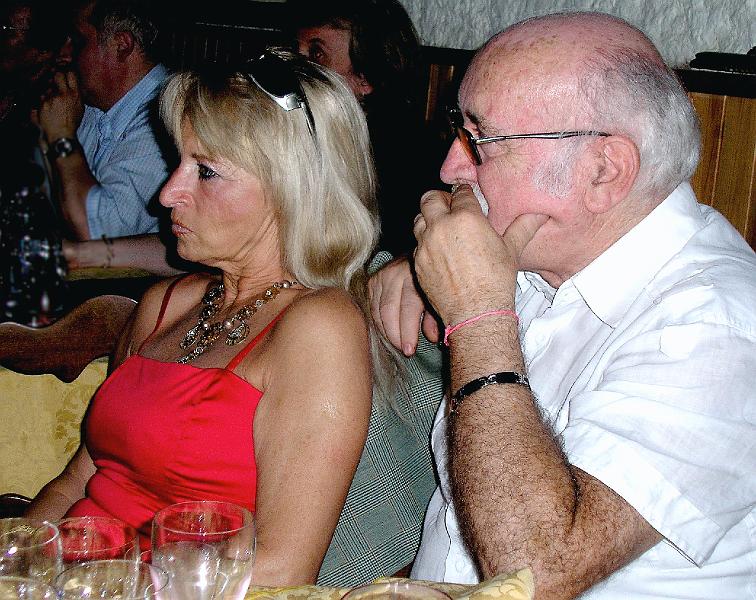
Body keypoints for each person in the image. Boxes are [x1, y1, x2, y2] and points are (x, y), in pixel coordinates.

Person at [369, 12, 756, 600]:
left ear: (604, 171)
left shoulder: (718, 328)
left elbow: (533, 573)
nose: (451, 167)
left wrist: (478, 316)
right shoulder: (540, 258)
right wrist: (411, 271)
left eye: (480, 141)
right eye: (458, 131)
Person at [25, 49, 383, 586]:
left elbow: (282, 566)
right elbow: (79, 480)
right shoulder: (164, 304)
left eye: (207, 172)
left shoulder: (319, 327)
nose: (168, 193)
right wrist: (19, 559)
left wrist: (103, 586)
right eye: (179, 162)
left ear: (291, 190)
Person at [288, 0, 446, 258]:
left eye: (316, 54)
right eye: (296, 51)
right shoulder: (293, 129)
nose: (295, 66)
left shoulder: (408, 158)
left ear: (366, 78)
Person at [37, 0, 172, 241]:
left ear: (122, 45)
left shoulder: (165, 118)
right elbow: (47, 201)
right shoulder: (93, 105)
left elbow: (99, 233)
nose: (63, 54)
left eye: (77, 41)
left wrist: (60, 136)